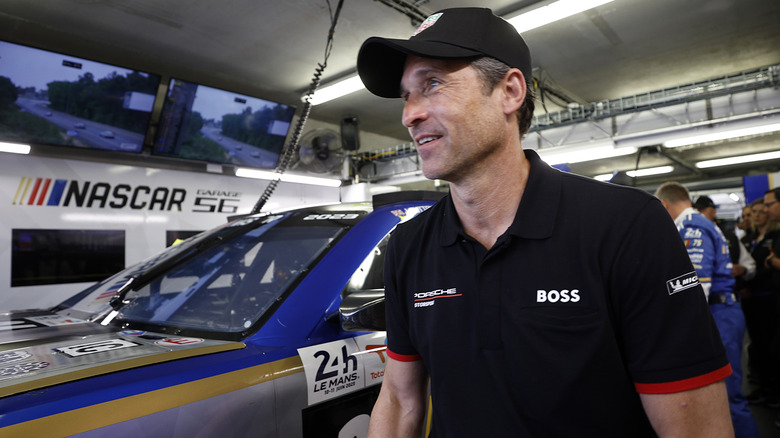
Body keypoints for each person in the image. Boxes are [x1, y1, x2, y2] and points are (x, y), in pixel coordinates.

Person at [356, 7, 733, 437]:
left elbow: (696, 427)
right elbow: (400, 400)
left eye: (433, 84)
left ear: (510, 91)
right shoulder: (408, 246)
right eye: (406, 95)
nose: (409, 115)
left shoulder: (626, 226)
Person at [657, 184, 761, 438]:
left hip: (718, 312)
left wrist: (685, 327)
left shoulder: (691, 226)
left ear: (665, 205)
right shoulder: (701, 223)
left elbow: (696, 283)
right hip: (722, 310)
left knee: (727, 396)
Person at [742, 198, 780, 407]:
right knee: (757, 346)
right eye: (753, 212)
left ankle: (774, 391)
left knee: (772, 347)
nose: (757, 215)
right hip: (751, 298)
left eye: (761, 210)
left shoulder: (775, 237)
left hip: (770, 298)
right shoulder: (749, 238)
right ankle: (764, 388)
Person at [693, 196, 755, 286]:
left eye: (703, 210)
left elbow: (749, 266)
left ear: (713, 212)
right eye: (697, 211)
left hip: (727, 289)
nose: (700, 214)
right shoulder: (687, 236)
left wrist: (743, 269)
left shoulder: (727, 236)